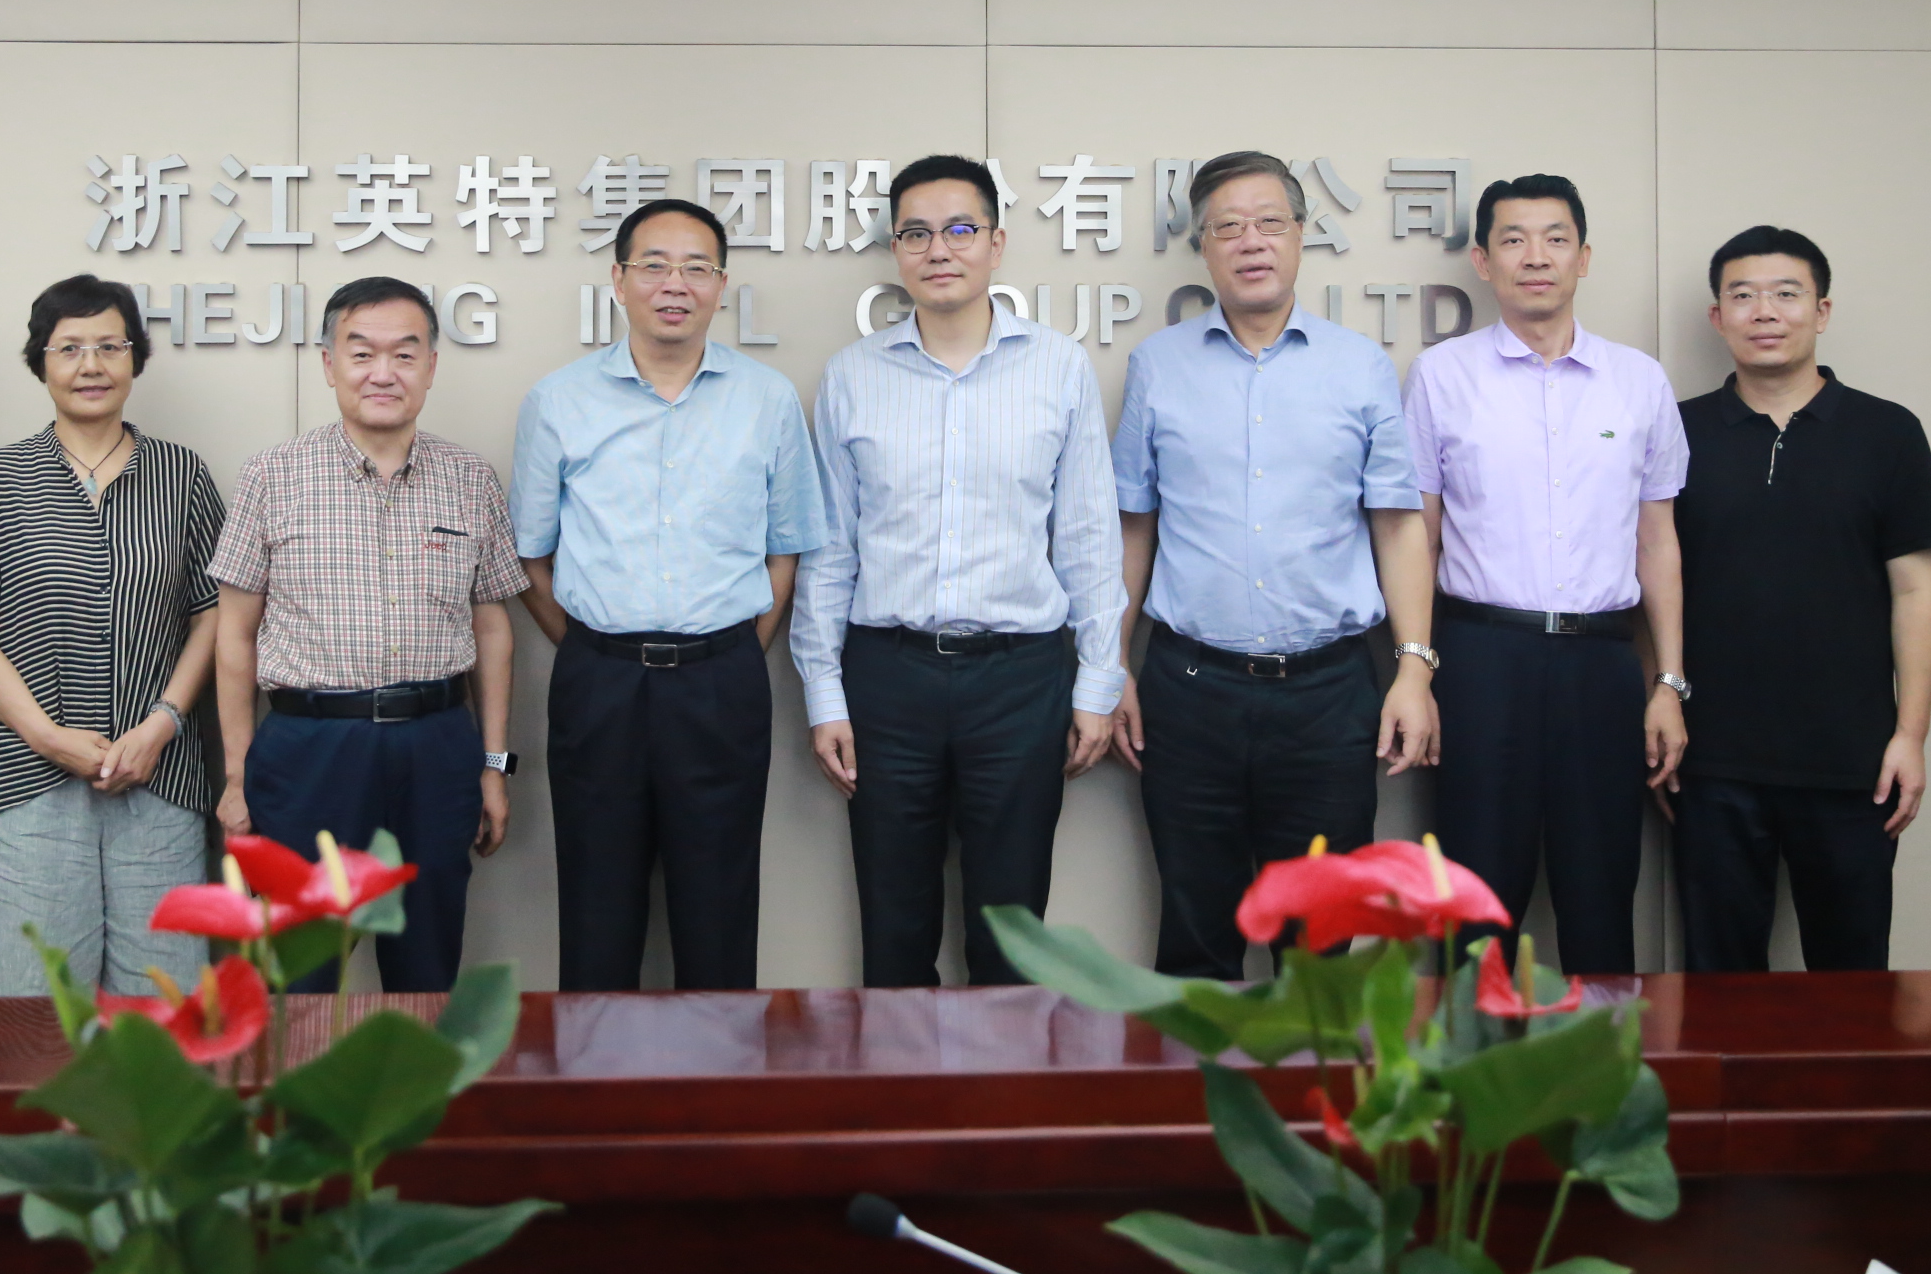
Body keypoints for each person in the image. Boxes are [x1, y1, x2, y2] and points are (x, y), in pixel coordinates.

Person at [791, 153, 1126, 988]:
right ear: (897, 251)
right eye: (916, 233)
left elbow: (1087, 536)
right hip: (887, 677)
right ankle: (898, 1073)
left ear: (996, 244)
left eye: (960, 229)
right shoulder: (854, 375)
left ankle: (1003, 1072)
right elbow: (831, 548)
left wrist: (1098, 682)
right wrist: (824, 692)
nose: (938, 249)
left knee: (1011, 930)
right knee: (893, 928)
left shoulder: (1057, 366)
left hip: (1020, 679)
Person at [1111, 151, 1440, 979]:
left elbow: (1398, 526)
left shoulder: (1359, 365)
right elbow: (1133, 526)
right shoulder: (1159, 365)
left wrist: (1413, 669)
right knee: (1195, 935)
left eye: (1268, 222)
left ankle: (1311, 1073)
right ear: (1204, 246)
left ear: (1300, 235)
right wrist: (1111, 662)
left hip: (1328, 695)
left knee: (1321, 947)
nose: (1250, 241)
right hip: (1189, 690)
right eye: (1227, 226)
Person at [511, 198, 827, 991]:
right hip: (599, 683)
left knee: (719, 912)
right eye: (654, 265)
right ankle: (594, 1069)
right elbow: (531, 557)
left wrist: (729, 651)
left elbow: (786, 549)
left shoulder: (767, 399)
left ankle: (719, 1071)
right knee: (596, 912)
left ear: (722, 285)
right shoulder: (558, 400)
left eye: (696, 267)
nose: (674, 284)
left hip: (721, 681)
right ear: (619, 280)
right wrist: (597, 647)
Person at [1400, 175, 1688, 974]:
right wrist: (1416, 668)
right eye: (1515, 240)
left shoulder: (1639, 381)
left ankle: (1602, 1053)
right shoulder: (1441, 375)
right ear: (1483, 261)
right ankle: (1472, 1051)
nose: (1537, 257)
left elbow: (1658, 542)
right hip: (1481, 658)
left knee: (1602, 891)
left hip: (1602, 663)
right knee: (1474, 899)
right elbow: (1417, 537)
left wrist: (1667, 681)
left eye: (1556, 239)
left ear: (1584, 258)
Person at [210, 277, 524, 992]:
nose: (384, 373)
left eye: (405, 355)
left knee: (427, 968)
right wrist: (236, 776)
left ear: (431, 367)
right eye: (362, 354)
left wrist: (492, 765)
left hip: (437, 747)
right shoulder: (272, 476)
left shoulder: (470, 479)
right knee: (301, 977)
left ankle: (416, 1069)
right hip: (310, 750)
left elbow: (493, 629)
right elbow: (234, 635)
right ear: (329, 365)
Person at [0, 275, 226, 996]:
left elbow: (214, 613)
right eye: (69, 349)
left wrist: (162, 723)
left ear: (135, 358)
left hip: (161, 777)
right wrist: (45, 735)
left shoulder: (181, 475)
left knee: (165, 1008)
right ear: (41, 362)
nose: (91, 365)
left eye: (109, 347)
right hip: (24, 779)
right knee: (30, 1006)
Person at [1672, 227, 1931, 972]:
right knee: (1720, 986)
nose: (1765, 311)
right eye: (1743, 295)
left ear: (1821, 312)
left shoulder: (1888, 433)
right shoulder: (1677, 430)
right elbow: (1650, 585)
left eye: (1786, 294)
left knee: (1853, 983)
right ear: (1717, 317)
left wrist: (1911, 735)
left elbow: (1915, 590)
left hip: (1853, 762)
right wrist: (1659, 705)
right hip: (1712, 759)